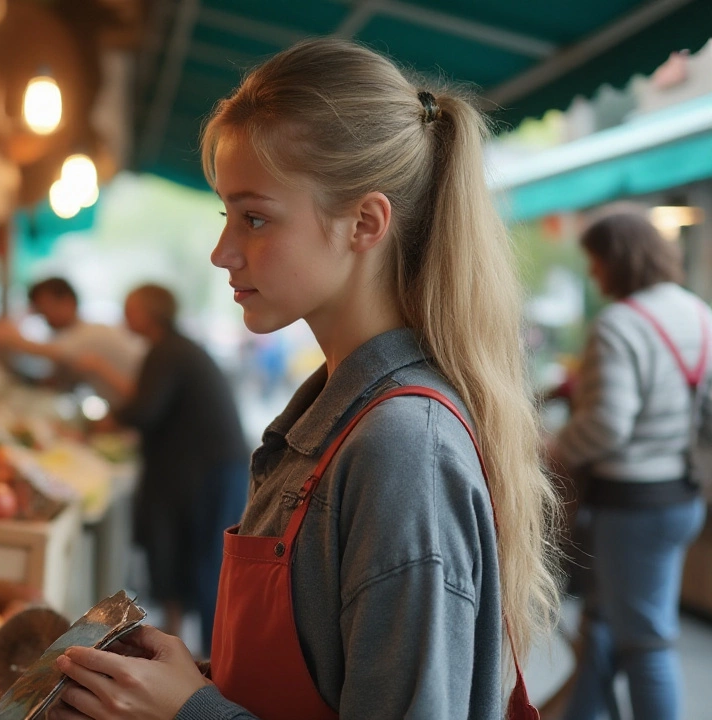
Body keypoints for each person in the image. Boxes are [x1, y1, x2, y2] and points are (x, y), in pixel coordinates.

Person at [48, 38, 558, 720]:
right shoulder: (338, 416)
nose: (222, 252)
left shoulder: (403, 449)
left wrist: (191, 711)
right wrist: (190, 679)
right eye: (226, 215)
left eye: (254, 217)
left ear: (364, 224)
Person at [554, 212, 709, 720]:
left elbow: (606, 426)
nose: (594, 275)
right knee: (601, 622)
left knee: (645, 643)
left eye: (596, 263)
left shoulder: (620, 324)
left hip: (632, 506)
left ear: (615, 260)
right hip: (682, 496)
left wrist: (550, 446)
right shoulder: (698, 313)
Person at [78, 283, 248, 656]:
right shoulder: (176, 348)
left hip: (207, 472)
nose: (124, 315)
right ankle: (185, 648)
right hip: (203, 469)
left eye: (129, 307)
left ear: (147, 312)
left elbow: (144, 410)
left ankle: (211, 663)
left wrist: (104, 421)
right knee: (183, 557)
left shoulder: (167, 351)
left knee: (203, 565)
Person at [0, 277, 144, 403]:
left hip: (133, 411)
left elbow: (51, 351)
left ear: (68, 302)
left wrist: (9, 337)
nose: (43, 316)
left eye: (45, 307)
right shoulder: (67, 335)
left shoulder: (93, 332)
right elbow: (56, 381)